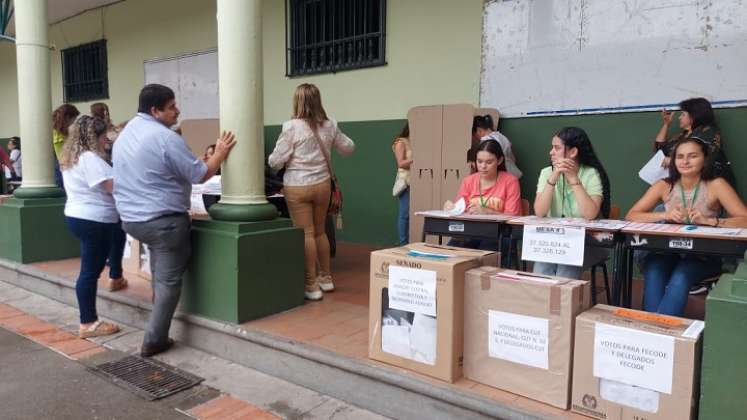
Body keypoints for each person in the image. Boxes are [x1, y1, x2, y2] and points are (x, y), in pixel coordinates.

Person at [113, 84, 236, 357]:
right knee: (169, 281)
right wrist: (220, 153)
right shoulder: (165, 138)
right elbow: (200, 174)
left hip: (133, 221)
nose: (177, 110)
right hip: (163, 221)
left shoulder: (125, 134)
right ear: (155, 111)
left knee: (159, 268)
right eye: (171, 107)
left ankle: (158, 310)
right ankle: (155, 339)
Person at [626, 136, 747, 316]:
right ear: (673, 161)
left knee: (681, 276)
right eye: (680, 156)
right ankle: (655, 332)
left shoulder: (716, 185)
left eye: (692, 156)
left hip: (705, 255)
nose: (685, 161)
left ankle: (659, 333)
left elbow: (744, 219)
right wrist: (665, 214)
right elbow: (632, 215)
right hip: (669, 250)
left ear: (705, 159)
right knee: (654, 270)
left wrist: (711, 221)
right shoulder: (664, 185)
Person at [268, 83, 355, 301]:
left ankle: (311, 285)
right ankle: (326, 279)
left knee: (306, 234)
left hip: (297, 186)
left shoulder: (291, 127)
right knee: (320, 232)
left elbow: (275, 162)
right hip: (322, 186)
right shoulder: (330, 125)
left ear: (297, 101)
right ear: (318, 100)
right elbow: (349, 148)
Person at [59, 115, 123, 339]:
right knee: (89, 273)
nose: (107, 138)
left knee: (90, 269)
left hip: (78, 216)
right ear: (92, 136)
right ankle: (88, 322)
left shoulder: (71, 157)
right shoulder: (89, 158)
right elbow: (110, 186)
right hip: (95, 219)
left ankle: (116, 277)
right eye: (103, 134)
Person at [533, 127, 611, 279]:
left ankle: (562, 302)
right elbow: (540, 212)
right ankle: (541, 302)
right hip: (555, 240)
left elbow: (590, 214)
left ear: (573, 152)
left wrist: (574, 179)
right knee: (542, 265)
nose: (551, 152)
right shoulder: (546, 173)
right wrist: (553, 177)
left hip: (590, 241)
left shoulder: (591, 173)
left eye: (556, 148)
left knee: (566, 262)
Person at [445, 139, 521, 258]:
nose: (483, 166)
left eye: (489, 162)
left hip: (499, 234)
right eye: (479, 161)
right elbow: (461, 209)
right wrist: (452, 208)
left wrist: (488, 212)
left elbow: (513, 217)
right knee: (449, 253)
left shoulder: (510, 181)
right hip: (470, 232)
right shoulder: (469, 181)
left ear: (499, 160)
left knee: (480, 258)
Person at [654, 97, 735, 187]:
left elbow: (704, 159)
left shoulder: (708, 132)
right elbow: (659, 148)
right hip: (688, 186)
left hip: (712, 185)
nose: (679, 117)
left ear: (694, 116)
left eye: (683, 114)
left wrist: (673, 161)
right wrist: (666, 125)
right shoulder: (682, 135)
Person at [469, 114, 522, 178]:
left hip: (500, 176)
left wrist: (474, 164)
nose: (476, 139)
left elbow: (486, 162)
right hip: (512, 172)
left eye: (475, 135)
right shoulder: (501, 136)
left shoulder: (486, 141)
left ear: (479, 130)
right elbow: (513, 158)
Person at [392, 122, 412, 245]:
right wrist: (417, 159)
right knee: (404, 214)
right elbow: (400, 163)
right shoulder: (401, 142)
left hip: (416, 182)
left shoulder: (415, 141)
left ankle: (408, 241)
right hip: (405, 182)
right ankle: (403, 243)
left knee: (409, 214)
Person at [53, 104, 81, 190]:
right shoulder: (63, 133)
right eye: (74, 119)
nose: (75, 122)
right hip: (65, 166)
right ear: (68, 117)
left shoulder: (55, 131)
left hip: (61, 166)